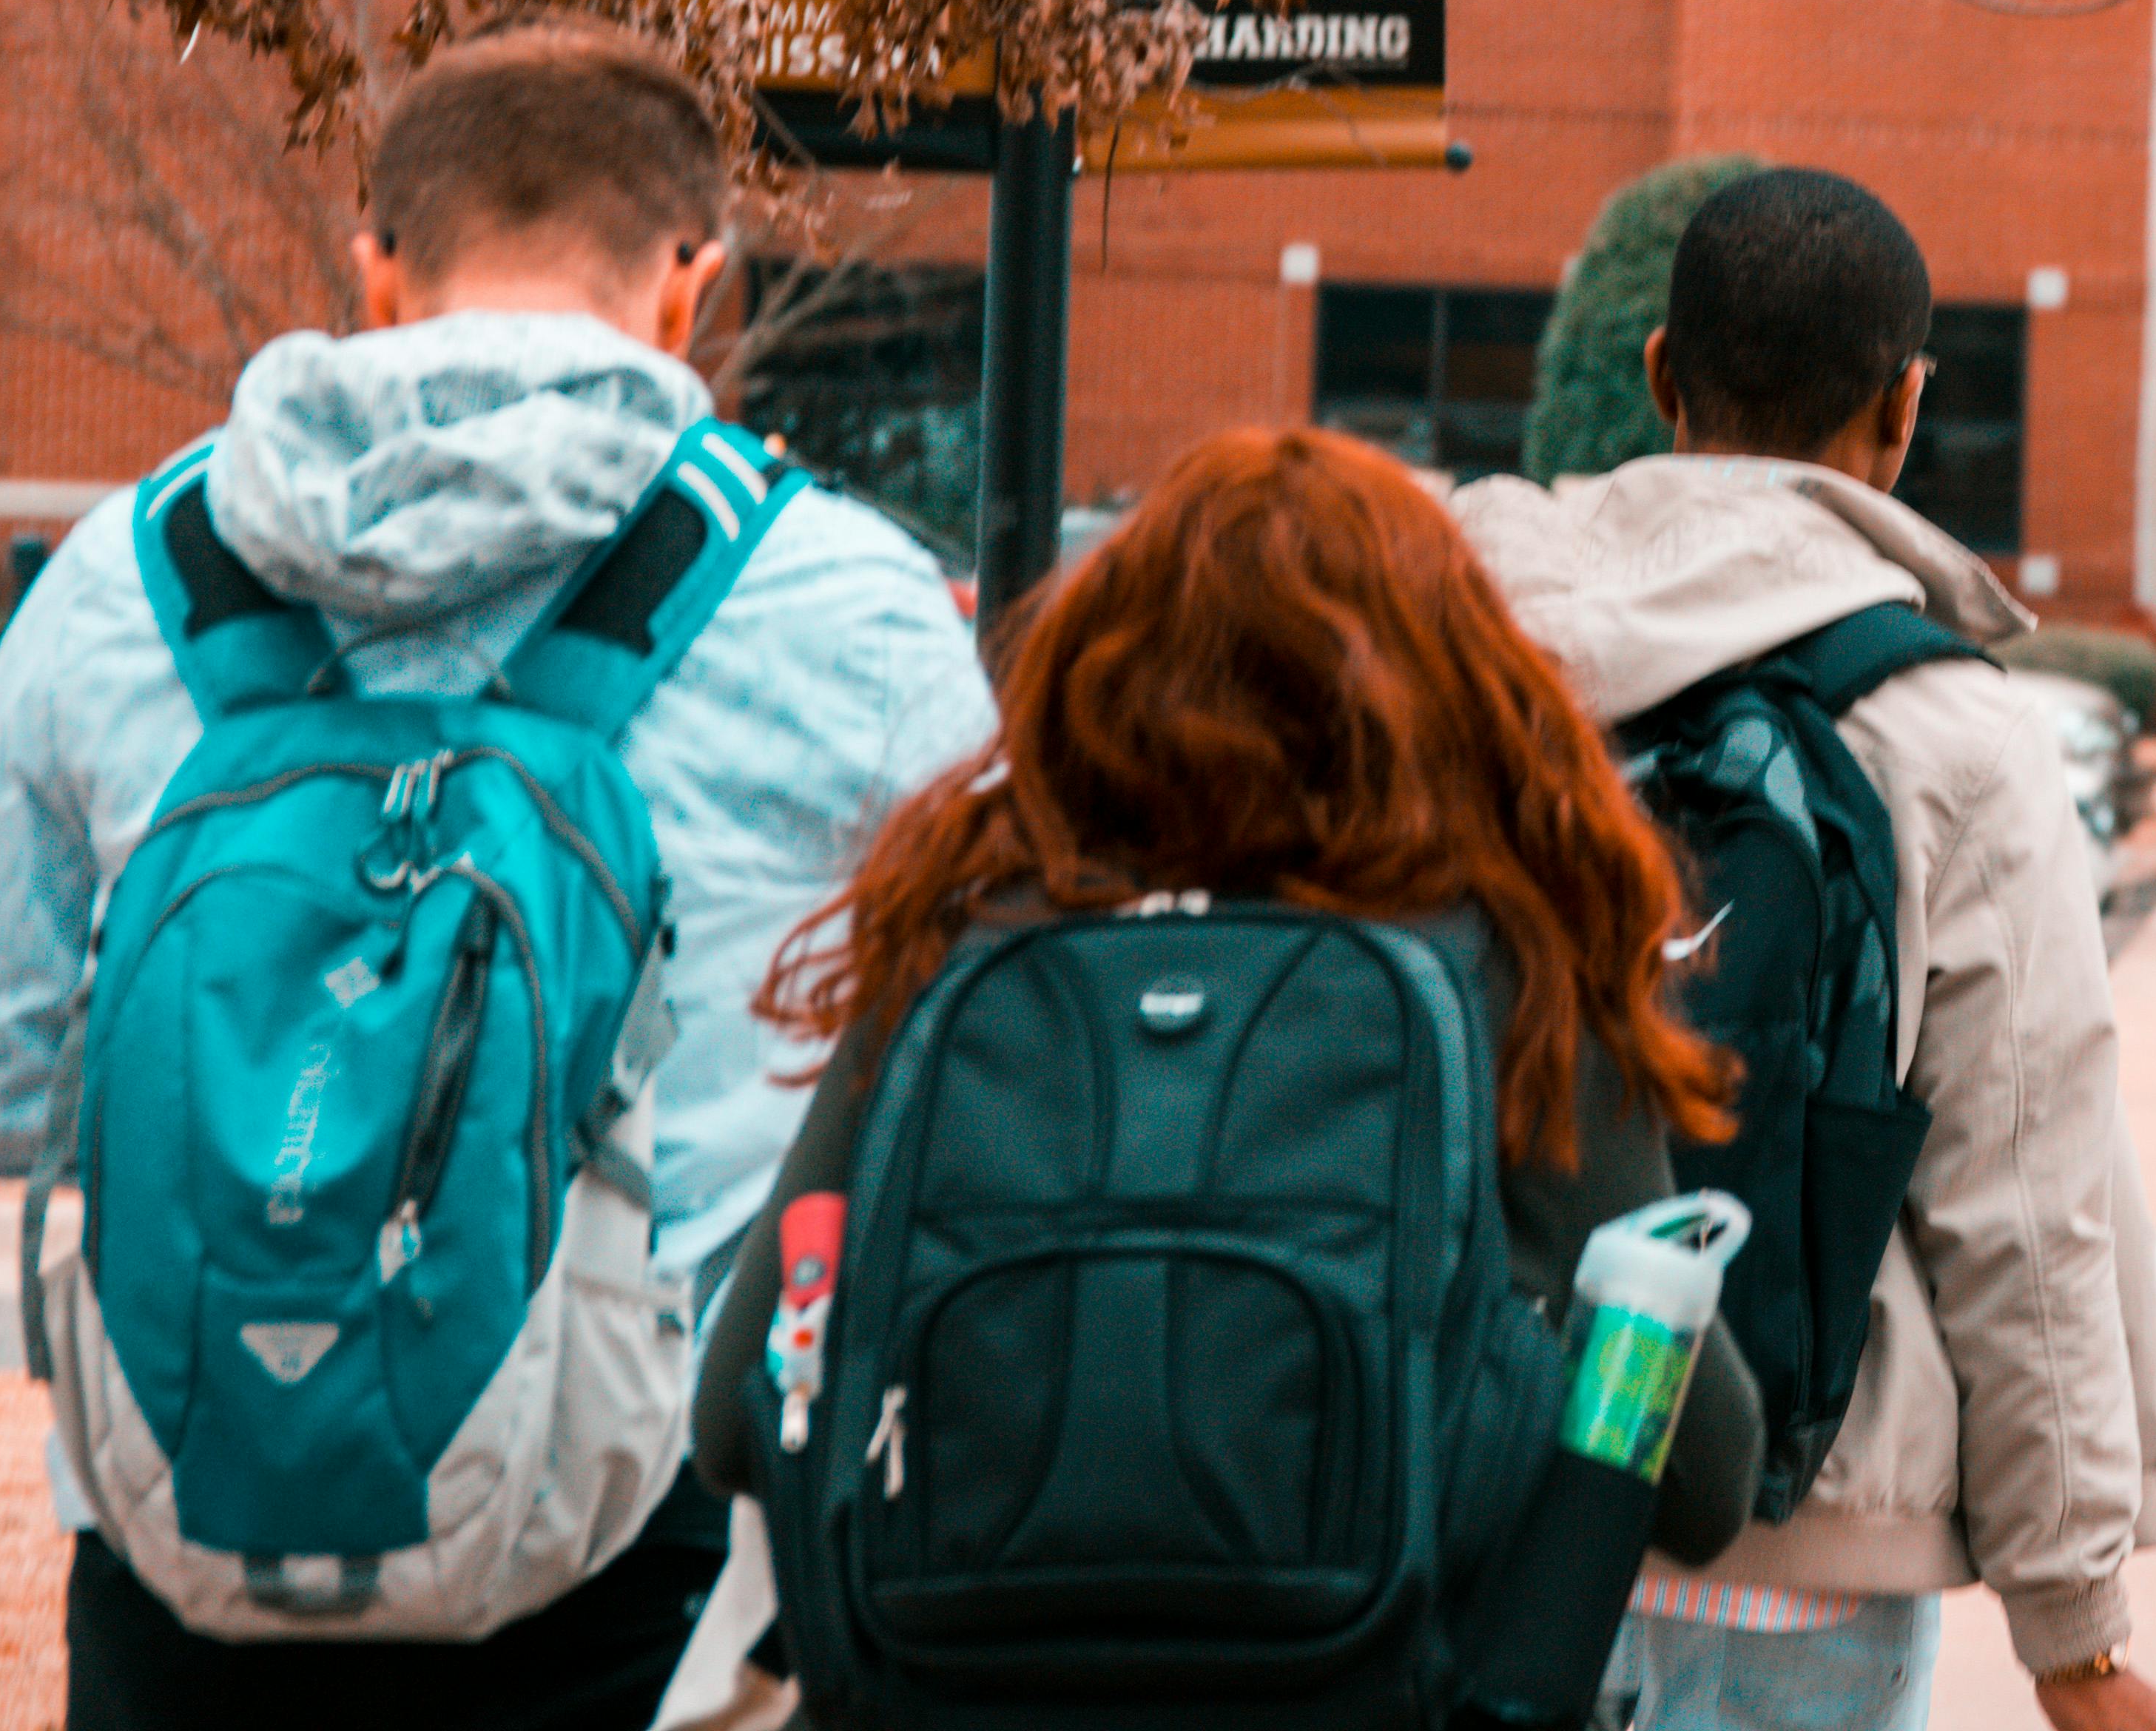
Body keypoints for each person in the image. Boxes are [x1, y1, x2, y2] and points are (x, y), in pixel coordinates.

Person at [0, 18, 995, 1731]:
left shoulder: (125, 581)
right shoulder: (848, 604)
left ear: (379, 266)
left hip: (192, 1533)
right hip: (640, 1555)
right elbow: (968, 1093)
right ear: (691, 278)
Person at [684, 428, 1765, 1702]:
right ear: (1448, 682)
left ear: (1100, 669)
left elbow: (738, 1413)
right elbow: (1703, 1479)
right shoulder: (1505, 972)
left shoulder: (962, 949)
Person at [1454, 167, 2156, 1731]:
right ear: (1904, 408)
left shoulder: (1473, 658)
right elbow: (2028, 1199)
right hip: (1801, 1539)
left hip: (1488, 1481)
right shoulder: (1949, 727)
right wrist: (2072, 1635)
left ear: (1662, 370)